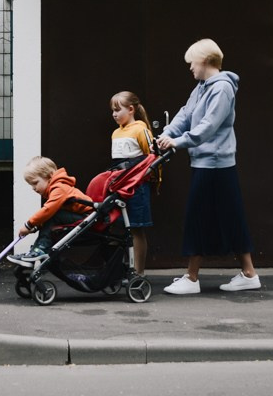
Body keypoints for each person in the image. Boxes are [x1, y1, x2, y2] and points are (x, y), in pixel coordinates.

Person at [156, 38, 261, 294]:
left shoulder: (222, 88)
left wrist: (177, 142)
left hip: (214, 162)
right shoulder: (202, 86)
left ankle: (192, 279)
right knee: (230, 215)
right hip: (206, 161)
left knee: (198, 216)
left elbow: (208, 127)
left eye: (192, 62)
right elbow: (186, 114)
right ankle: (249, 274)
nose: (190, 67)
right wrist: (167, 134)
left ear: (204, 61)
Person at [8, 156, 93, 263]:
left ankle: (40, 250)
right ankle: (35, 251)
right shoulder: (57, 189)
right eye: (31, 185)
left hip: (87, 218)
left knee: (53, 215)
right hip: (79, 217)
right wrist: (34, 228)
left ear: (49, 177)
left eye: (35, 183)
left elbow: (47, 211)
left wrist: (28, 225)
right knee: (53, 215)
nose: (33, 188)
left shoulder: (60, 188)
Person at [110, 91, 154, 276]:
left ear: (131, 109)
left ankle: (139, 272)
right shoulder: (116, 133)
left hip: (136, 187)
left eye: (117, 110)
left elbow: (151, 158)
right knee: (122, 229)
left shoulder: (140, 128)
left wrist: (148, 178)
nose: (114, 114)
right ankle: (125, 268)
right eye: (112, 110)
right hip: (119, 186)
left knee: (136, 229)